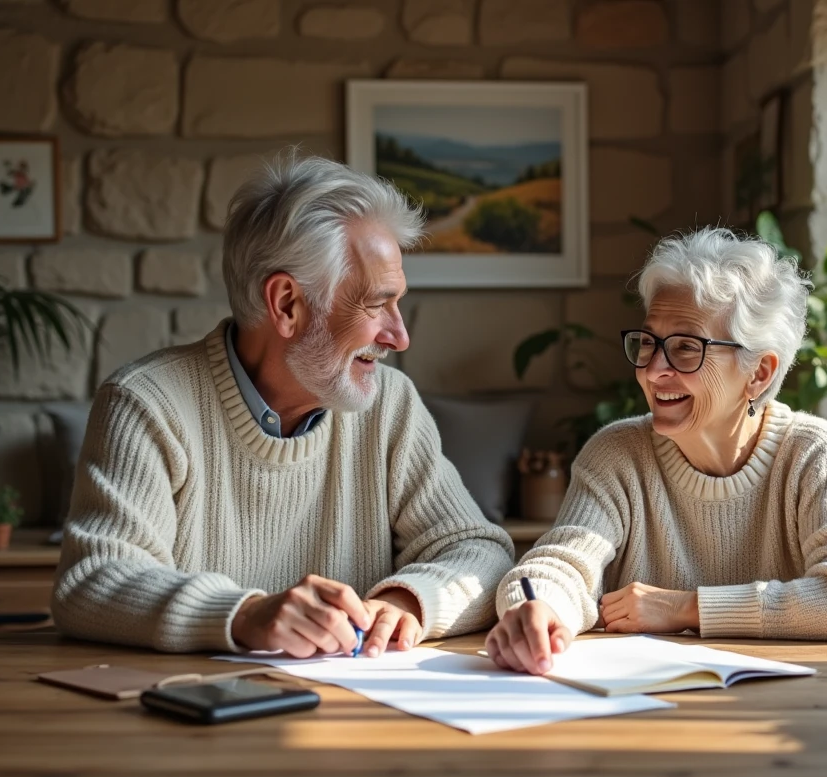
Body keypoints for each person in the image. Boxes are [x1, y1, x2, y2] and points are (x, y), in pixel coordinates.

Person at [52, 155, 515, 656]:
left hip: (350, 715)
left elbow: (481, 551)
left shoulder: (390, 406)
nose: (399, 336)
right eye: (376, 303)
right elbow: (94, 579)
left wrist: (406, 601)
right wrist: (245, 615)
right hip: (191, 719)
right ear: (287, 304)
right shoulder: (146, 403)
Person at [486, 227, 827, 675]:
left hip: (786, 712)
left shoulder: (811, 454)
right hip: (641, 708)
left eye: (687, 348)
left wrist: (688, 608)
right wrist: (537, 609)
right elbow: (562, 564)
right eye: (648, 344)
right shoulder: (616, 455)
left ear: (759, 373)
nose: (653, 371)